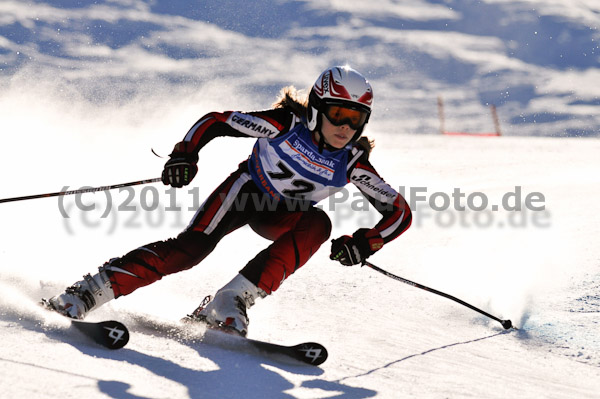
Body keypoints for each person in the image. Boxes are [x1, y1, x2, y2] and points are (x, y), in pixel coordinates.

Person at [47, 65, 412, 336]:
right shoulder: (285, 124)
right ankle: (91, 290)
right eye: (338, 114)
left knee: (319, 224)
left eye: (356, 118)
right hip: (245, 193)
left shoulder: (351, 163)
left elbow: (399, 212)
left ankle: (229, 301)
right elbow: (217, 121)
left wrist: (367, 242)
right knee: (189, 251)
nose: (345, 127)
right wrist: (185, 155)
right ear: (317, 107)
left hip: (284, 216)